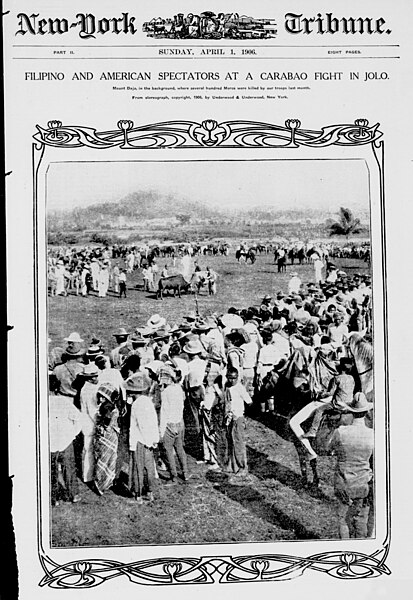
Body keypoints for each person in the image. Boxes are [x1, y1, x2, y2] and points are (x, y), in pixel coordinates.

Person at [327, 393, 374, 539]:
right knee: (360, 519)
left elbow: (328, 448)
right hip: (363, 482)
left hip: (343, 482)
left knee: (343, 519)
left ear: (351, 412)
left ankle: (345, 550)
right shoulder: (373, 434)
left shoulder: (341, 432)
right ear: (366, 412)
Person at [127, 371, 160, 504]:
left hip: (140, 440)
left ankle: (138, 494)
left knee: (137, 468)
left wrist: (136, 442)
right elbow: (152, 422)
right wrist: (153, 440)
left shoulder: (136, 405)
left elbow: (138, 426)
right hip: (150, 440)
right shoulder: (147, 402)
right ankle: (150, 492)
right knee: (149, 467)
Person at [158, 364, 190, 483]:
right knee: (180, 449)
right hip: (179, 422)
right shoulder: (178, 388)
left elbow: (164, 412)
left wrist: (161, 431)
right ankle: (185, 472)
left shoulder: (165, 392)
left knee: (168, 451)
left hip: (169, 424)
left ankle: (173, 475)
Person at [49, 393, 82, 506]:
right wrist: (73, 434)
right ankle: (73, 494)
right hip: (64, 440)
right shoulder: (64, 402)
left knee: (51, 470)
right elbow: (78, 418)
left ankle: (54, 498)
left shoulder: (41, 403)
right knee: (69, 468)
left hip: (52, 442)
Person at [222, 368, 252, 476]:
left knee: (238, 443)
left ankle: (243, 467)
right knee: (230, 441)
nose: (232, 380)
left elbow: (249, 401)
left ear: (237, 377)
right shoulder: (227, 387)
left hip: (237, 418)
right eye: (230, 378)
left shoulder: (240, 388)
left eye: (234, 378)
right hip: (229, 417)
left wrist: (241, 415)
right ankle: (232, 465)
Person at [93, 383, 121, 495]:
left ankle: (104, 483)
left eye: (103, 397)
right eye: (99, 396)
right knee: (103, 459)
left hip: (108, 437)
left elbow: (109, 427)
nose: (100, 399)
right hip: (105, 437)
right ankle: (102, 482)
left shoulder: (112, 411)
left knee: (107, 459)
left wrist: (102, 427)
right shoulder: (104, 408)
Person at [79, 363, 100, 483]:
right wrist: (99, 423)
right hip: (90, 423)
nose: (96, 378)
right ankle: (88, 476)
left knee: (89, 450)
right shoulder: (88, 390)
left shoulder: (86, 388)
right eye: (93, 376)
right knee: (89, 450)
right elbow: (92, 410)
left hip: (87, 422)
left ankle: (89, 474)